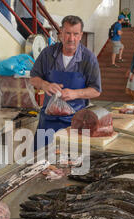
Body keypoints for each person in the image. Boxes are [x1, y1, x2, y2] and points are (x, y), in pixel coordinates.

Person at [30, 15, 101, 149]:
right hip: (47, 122)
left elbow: (96, 90)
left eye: (75, 34)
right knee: (40, 162)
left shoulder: (89, 58)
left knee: (70, 163)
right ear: (61, 33)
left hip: (75, 124)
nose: (71, 38)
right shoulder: (47, 54)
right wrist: (45, 84)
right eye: (67, 33)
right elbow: (33, 78)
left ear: (80, 35)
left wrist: (75, 94)